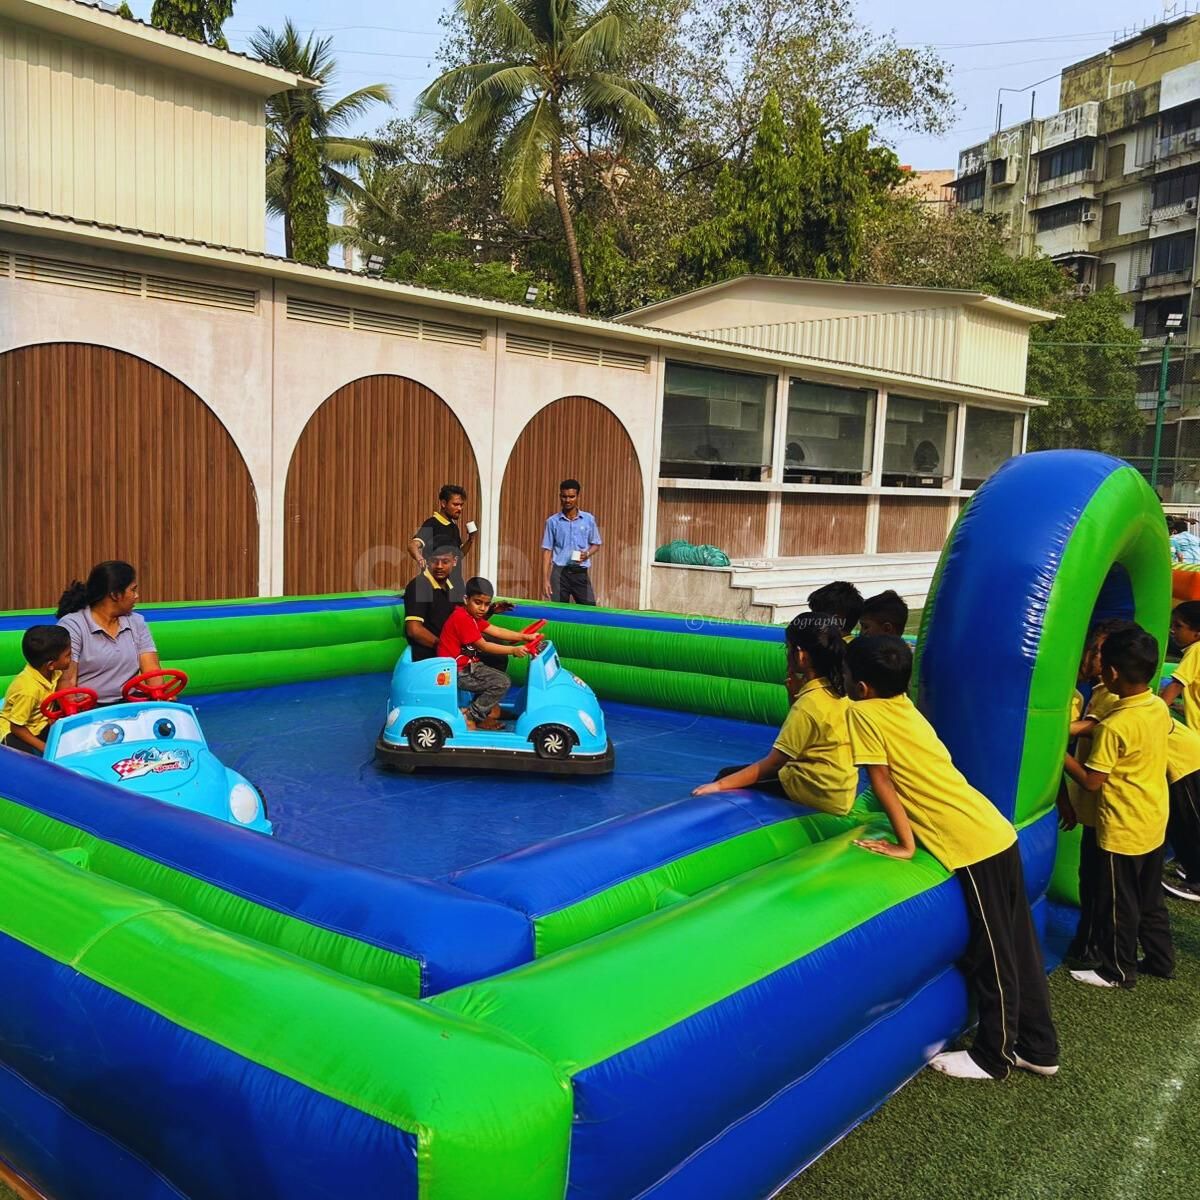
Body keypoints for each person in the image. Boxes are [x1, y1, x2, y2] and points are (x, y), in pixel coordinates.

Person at [846, 635, 1059, 1080]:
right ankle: (1039, 1045)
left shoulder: (862, 712)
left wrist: (905, 845)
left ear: (861, 685)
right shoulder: (903, 706)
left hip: (970, 843)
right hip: (991, 827)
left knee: (994, 953)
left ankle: (993, 1056)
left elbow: (881, 782)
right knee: (1017, 945)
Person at [1064, 626, 1174, 988]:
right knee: (1149, 896)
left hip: (1121, 827)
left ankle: (1117, 970)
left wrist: (1061, 754)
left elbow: (1093, 781)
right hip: (1153, 817)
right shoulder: (1156, 706)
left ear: (1111, 673)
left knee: (1118, 901)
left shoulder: (1116, 726)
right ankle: (1161, 959)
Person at [692, 614, 856, 814]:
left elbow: (775, 762)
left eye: (787, 648)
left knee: (725, 776)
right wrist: (794, 696)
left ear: (800, 655)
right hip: (838, 792)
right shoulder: (838, 692)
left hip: (813, 792)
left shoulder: (809, 703)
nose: (786, 653)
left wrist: (718, 786)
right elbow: (809, 736)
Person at [1059, 619, 1134, 968]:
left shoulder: (1114, 704)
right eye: (1095, 652)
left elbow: (1091, 777)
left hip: (1116, 819)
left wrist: (1053, 735)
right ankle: (1091, 948)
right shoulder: (1095, 694)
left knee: (1108, 891)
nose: (1097, 662)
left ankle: (1114, 964)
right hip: (1118, 816)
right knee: (1098, 886)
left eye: (1103, 654)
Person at [436, 578, 538, 730]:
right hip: (457, 672)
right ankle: (471, 715)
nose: (483, 608)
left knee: (497, 674)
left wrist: (523, 636)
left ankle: (479, 711)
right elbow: (484, 645)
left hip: (468, 666)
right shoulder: (462, 618)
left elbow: (496, 630)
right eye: (478, 602)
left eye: (486, 604)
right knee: (501, 682)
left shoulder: (472, 617)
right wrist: (513, 650)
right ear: (466, 599)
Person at [56, 562, 161, 706]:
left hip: (129, 702)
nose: (136, 596)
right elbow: (67, 681)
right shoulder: (72, 625)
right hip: (88, 708)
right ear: (115, 595)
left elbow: (152, 670)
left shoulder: (137, 621)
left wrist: (160, 699)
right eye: (133, 590)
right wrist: (74, 715)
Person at [0, 626, 73, 756]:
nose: (71, 658)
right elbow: (16, 727)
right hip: (13, 730)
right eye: (68, 655)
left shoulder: (53, 672)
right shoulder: (28, 691)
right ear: (51, 664)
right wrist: (45, 748)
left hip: (39, 723)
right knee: (24, 759)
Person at [541, 479, 601, 605]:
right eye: (564, 496)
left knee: (589, 610)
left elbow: (596, 544)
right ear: (560, 496)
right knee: (558, 613)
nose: (567, 500)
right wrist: (545, 580)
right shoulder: (552, 522)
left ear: (578, 496)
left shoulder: (588, 519)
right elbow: (547, 551)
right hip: (559, 574)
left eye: (571, 497)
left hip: (580, 573)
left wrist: (587, 554)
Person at [402, 545, 461, 662]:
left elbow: (463, 621)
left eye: (445, 562)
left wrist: (490, 611)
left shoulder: (452, 586)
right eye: (434, 561)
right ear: (427, 560)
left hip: (450, 653)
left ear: (454, 561)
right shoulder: (420, 585)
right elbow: (414, 630)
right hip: (429, 659)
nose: (439, 566)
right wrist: (447, 648)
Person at [410, 485, 474, 590]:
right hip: (435, 588)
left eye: (461, 505)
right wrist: (419, 558)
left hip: (454, 587)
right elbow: (412, 545)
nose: (459, 509)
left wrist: (470, 539)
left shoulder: (453, 526)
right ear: (444, 503)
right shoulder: (432, 524)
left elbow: (459, 554)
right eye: (456, 504)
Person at [1161, 600, 1200, 728]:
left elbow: (1177, 684)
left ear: (1197, 633)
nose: (1172, 630)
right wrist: (1184, 708)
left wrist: (1153, 711)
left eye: (1178, 626)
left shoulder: (1196, 649)